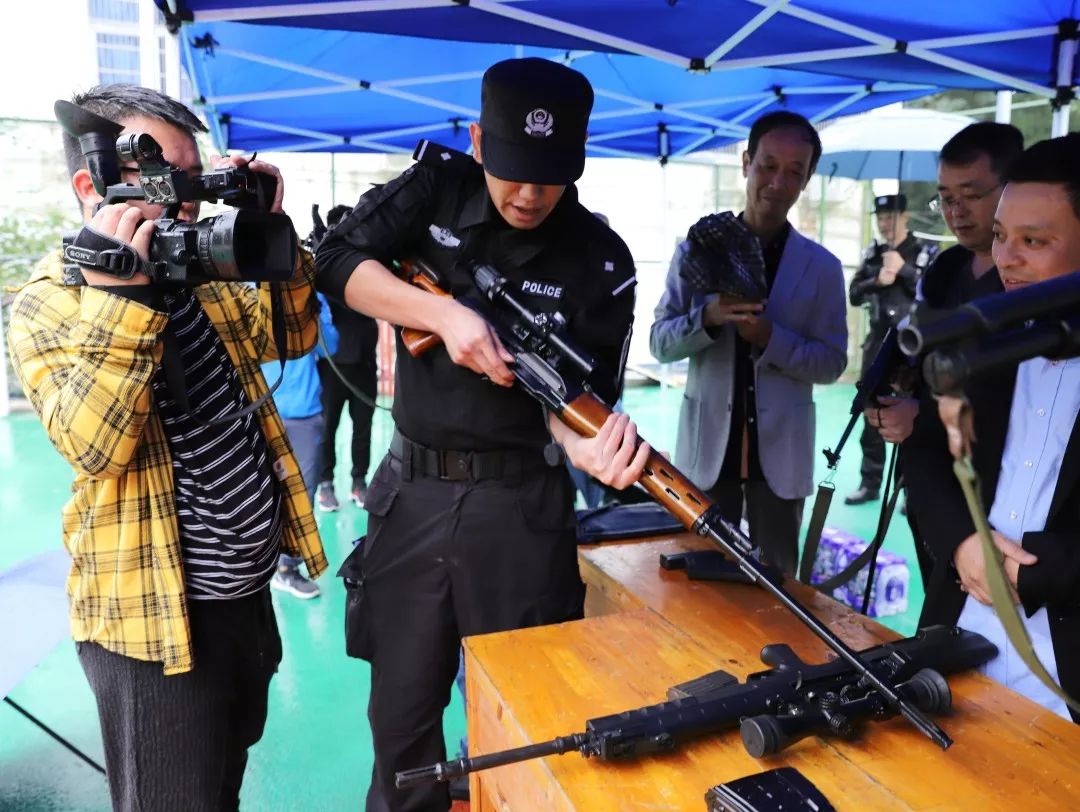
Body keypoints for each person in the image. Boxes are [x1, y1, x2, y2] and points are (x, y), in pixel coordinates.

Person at [315, 58, 646, 811]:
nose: (529, 193)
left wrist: (586, 446)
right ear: (476, 140)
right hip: (413, 496)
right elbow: (334, 261)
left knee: (528, 724)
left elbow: (582, 403)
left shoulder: (602, 260)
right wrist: (442, 316)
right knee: (401, 723)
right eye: (514, 170)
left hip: (520, 507)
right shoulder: (436, 188)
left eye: (551, 174)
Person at [7, 84, 327, 810]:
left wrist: (270, 234)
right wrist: (124, 297)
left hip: (244, 602)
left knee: (220, 789)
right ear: (92, 186)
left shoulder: (204, 276)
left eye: (193, 183)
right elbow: (94, 447)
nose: (185, 208)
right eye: (163, 187)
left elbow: (293, 335)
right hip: (154, 629)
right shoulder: (52, 300)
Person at [920, 134, 1080, 722]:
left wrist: (1035, 574)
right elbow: (926, 453)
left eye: (1033, 241)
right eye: (1000, 236)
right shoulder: (981, 326)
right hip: (958, 656)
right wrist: (964, 542)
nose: (1006, 260)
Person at [650, 110, 848, 576]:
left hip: (781, 462)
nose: (778, 182)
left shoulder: (822, 268)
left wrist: (772, 339)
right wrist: (708, 318)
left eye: (794, 172)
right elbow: (660, 342)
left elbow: (832, 362)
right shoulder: (697, 249)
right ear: (745, 163)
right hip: (705, 457)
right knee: (698, 587)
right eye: (768, 165)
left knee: (776, 589)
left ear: (807, 179)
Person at [887, 123, 1023, 583]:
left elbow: (1009, 395)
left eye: (971, 194)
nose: (955, 211)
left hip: (999, 491)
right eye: (945, 197)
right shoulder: (945, 267)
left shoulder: (1033, 285)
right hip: (934, 483)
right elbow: (921, 356)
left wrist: (920, 414)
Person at [844, 193, 930, 506]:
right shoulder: (873, 253)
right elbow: (854, 292)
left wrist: (904, 270)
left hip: (912, 349)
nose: (885, 224)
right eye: (880, 218)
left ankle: (910, 488)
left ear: (904, 217)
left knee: (913, 417)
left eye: (891, 217)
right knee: (871, 414)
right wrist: (878, 280)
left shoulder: (922, 252)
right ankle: (870, 483)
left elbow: (931, 289)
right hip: (877, 345)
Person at [264, 293, 339, 599]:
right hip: (263, 410)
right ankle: (259, 563)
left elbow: (331, 347)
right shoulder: (247, 288)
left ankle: (287, 568)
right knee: (261, 491)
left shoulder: (313, 296)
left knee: (302, 493)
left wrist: (314, 312)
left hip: (305, 413)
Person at [315, 203, 381, 511]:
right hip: (332, 368)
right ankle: (325, 483)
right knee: (328, 428)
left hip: (365, 365)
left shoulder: (367, 266)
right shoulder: (325, 268)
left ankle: (359, 481)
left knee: (363, 428)